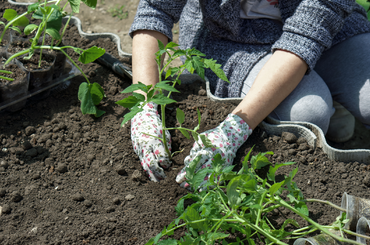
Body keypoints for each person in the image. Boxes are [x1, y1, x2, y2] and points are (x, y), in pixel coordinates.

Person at [128, 0, 370, 184]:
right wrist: (144, 107)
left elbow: (304, 39)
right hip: (231, 37)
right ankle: (327, 100)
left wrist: (232, 131)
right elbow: (155, 10)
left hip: (328, 27)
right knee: (308, 114)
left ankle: (333, 97)